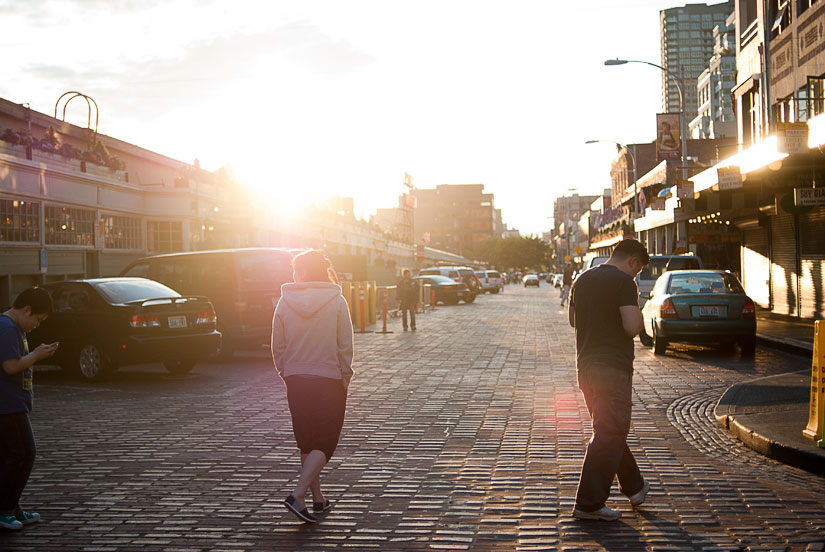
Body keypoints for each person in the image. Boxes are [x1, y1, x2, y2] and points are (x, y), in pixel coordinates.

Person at [568, 239, 651, 521]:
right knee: (610, 431)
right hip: (612, 367)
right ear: (633, 262)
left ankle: (635, 487)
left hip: (586, 366)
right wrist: (639, 310)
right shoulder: (624, 283)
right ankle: (589, 503)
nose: (635, 275)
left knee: (609, 428)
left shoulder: (582, 279)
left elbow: (573, 321)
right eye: (637, 270)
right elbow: (631, 328)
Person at [272, 250, 354, 523]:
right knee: (326, 442)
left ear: (301, 271)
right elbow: (345, 345)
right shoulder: (337, 301)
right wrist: (345, 374)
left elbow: (277, 344)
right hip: (329, 378)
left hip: (296, 379)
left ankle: (316, 499)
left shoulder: (284, 302)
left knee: (307, 440)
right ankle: (297, 494)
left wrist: (285, 370)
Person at [0, 287, 57, 530]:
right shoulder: (7, 328)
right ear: (27, 310)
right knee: (22, 453)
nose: (37, 325)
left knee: (14, 455)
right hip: (6, 405)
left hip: (13, 403)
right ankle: (4, 508)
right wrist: (36, 355)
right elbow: (11, 366)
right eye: (38, 319)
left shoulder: (15, 328)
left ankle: (11, 506)